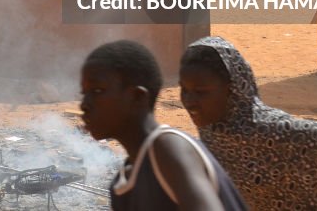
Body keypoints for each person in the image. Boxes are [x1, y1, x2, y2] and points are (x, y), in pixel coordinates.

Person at [179, 36, 317, 210]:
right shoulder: (212, 134)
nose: (189, 102)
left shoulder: (275, 131)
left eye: (201, 92)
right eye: (184, 90)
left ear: (232, 88)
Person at [80, 40, 247, 210]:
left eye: (97, 91)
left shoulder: (167, 149)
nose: (84, 104)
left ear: (137, 97)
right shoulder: (122, 183)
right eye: (84, 93)